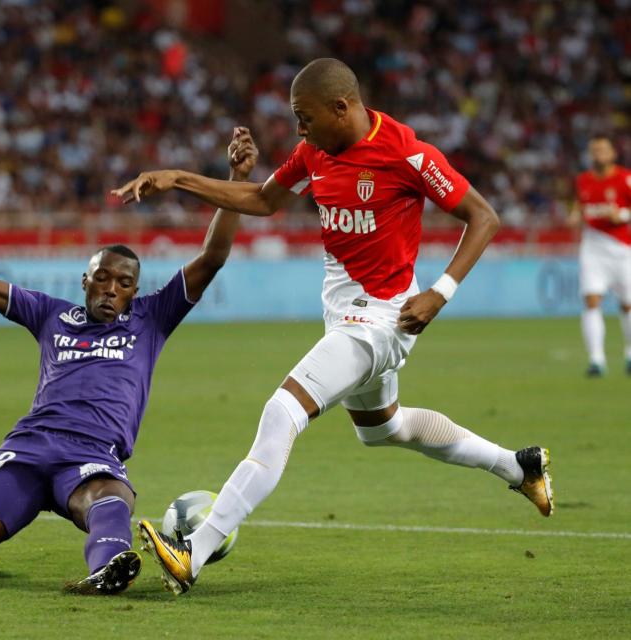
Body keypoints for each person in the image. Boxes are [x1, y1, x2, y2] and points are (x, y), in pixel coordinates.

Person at [112, 58, 554, 595]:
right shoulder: (315, 151)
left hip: (379, 321)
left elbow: (483, 217)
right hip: (344, 316)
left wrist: (441, 292)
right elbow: (264, 200)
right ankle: (517, 466)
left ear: (341, 107)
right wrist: (179, 178)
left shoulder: (406, 153)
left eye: (305, 117)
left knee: (282, 413)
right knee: (385, 430)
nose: (299, 129)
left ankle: (194, 552)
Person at [0, 128, 258, 594]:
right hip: (28, 449)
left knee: (111, 498)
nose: (111, 288)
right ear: (85, 281)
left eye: (123, 282)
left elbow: (212, 256)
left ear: (135, 291)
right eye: (102, 278)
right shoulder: (51, 314)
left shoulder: (151, 319)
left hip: (92, 455)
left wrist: (235, 179)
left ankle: (108, 570)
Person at [568, 135, 631, 377]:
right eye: (594, 150)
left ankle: (629, 354)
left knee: (627, 304)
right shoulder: (583, 181)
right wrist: (574, 216)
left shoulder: (625, 178)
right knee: (592, 301)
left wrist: (622, 216)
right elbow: (579, 206)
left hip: (622, 249)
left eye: (603, 149)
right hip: (593, 248)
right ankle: (596, 360)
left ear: (613, 153)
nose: (598, 154)